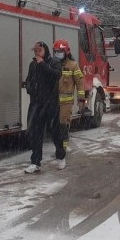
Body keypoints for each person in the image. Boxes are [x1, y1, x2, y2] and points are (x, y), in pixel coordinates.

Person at [24, 41, 63, 174]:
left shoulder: (54, 62)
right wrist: (29, 88)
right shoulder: (32, 65)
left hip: (50, 104)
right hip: (36, 104)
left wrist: (43, 64)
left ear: (45, 51)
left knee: (55, 132)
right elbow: (28, 80)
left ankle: (61, 156)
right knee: (36, 134)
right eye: (35, 51)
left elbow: (56, 75)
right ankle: (35, 162)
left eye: (39, 51)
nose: (37, 54)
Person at [53, 39, 84, 168]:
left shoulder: (73, 65)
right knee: (53, 128)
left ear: (66, 51)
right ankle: (59, 147)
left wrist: (81, 100)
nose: (58, 53)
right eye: (56, 51)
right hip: (52, 102)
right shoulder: (52, 64)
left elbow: (80, 83)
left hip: (66, 103)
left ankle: (63, 151)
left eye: (60, 51)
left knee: (63, 126)